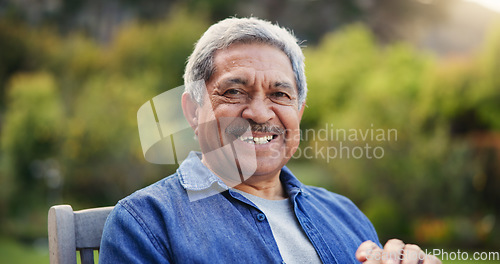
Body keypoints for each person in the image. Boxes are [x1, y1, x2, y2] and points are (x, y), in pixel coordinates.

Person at [100, 17, 441, 264]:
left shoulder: (345, 214)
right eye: (234, 92)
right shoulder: (144, 223)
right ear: (193, 111)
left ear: (299, 112)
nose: (261, 113)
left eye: (279, 94)